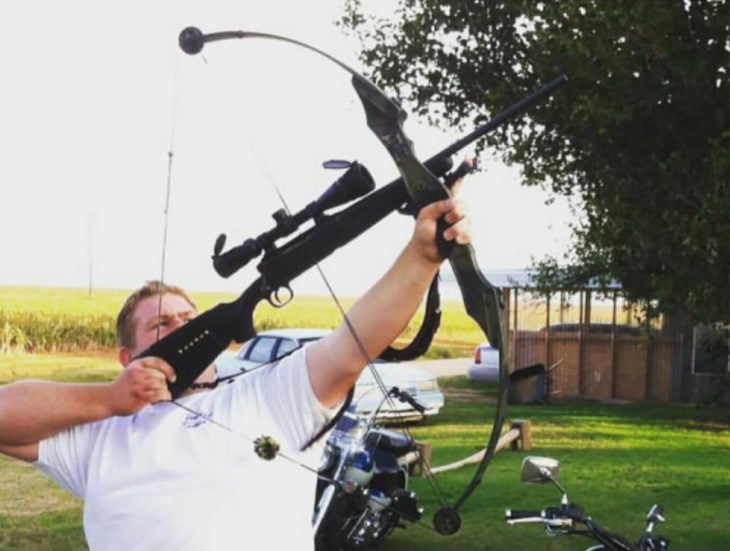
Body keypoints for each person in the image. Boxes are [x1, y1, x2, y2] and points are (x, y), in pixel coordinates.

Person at [0, 196, 470, 550]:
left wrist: (423, 256)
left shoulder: (265, 394)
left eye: (191, 319)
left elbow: (355, 344)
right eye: (162, 324)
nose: (183, 329)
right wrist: (108, 400)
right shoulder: (101, 433)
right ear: (128, 357)